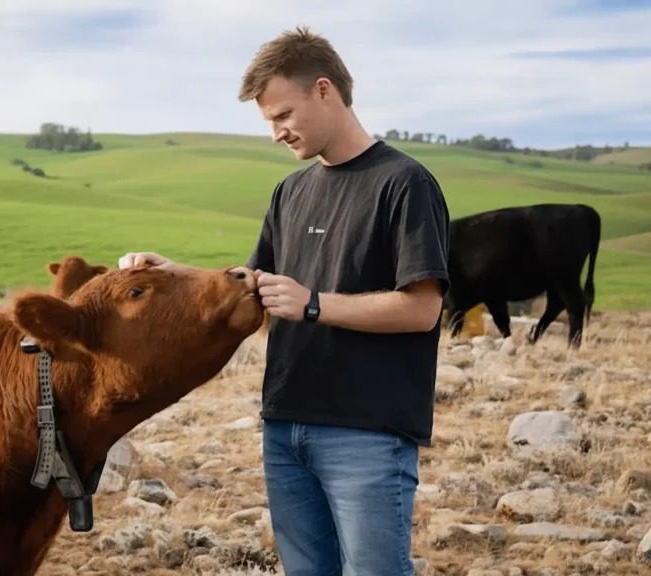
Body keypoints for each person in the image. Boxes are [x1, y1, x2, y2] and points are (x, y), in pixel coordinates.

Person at [117, 26, 450, 576]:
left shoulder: (404, 182)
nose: (276, 134)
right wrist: (173, 274)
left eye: (283, 116)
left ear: (324, 90)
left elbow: (422, 309)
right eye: (269, 121)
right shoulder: (290, 191)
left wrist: (315, 304)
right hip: (285, 426)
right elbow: (255, 283)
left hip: (366, 433)